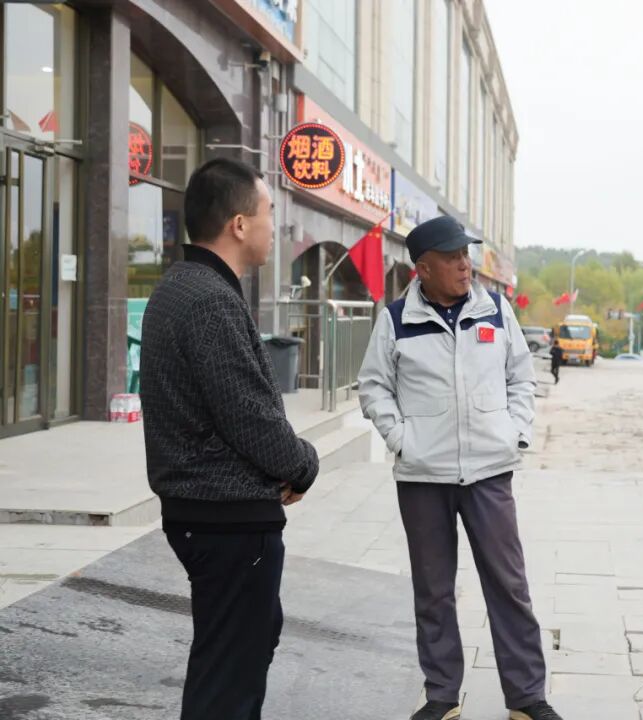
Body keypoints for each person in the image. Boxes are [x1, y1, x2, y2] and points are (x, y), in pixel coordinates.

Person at [357, 215, 562, 720]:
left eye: (465, 255)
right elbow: (374, 386)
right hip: (423, 477)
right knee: (433, 590)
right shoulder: (396, 319)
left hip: (489, 472)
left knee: (509, 586)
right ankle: (442, 696)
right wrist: (402, 439)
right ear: (423, 268)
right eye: (452, 258)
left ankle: (527, 698)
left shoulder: (495, 310)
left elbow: (521, 376)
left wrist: (514, 431)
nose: (464, 265)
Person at [140, 157, 320, 719]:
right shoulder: (209, 300)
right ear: (239, 224)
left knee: (235, 653)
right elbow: (249, 416)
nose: (274, 226)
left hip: (207, 512)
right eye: (268, 212)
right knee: (228, 679)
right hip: (226, 517)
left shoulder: (182, 287)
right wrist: (303, 464)